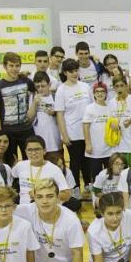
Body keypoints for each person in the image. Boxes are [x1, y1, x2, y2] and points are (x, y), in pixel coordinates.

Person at [15, 178, 86, 262]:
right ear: (34, 198)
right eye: (39, 197)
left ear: (58, 197)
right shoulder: (27, 211)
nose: (44, 201)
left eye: (49, 196)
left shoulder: (71, 219)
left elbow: (77, 253)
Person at [0, 52, 37, 164]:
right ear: (5, 66)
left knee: (30, 161)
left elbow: (38, 93)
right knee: (10, 162)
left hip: (26, 129)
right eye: (11, 66)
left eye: (17, 66)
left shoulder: (26, 81)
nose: (14, 69)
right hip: (7, 131)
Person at [54, 58, 93, 191]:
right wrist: (64, 135)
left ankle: (88, 185)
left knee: (87, 161)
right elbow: (59, 114)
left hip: (88, 132)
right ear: (65, 72)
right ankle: (75, 188)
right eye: (71, 71)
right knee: (75, 163)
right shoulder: (61, 90)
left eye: (76, 70)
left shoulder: (85, 86)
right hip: (72, 133)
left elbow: (92, 108)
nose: (74, 73)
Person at [11, 136, 70, 205]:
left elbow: (66, 195)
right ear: (25, 152)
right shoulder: (20, 166)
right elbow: (12, 175)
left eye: (37, 149)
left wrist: (42, 194)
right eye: (30, 150)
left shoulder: (54, 169)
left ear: (44, 151)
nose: (33, 153)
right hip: (25, 212)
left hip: (46, 211)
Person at [82, 82, 113, 185]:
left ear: (106, 93)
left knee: (110, 176)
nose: (100, 94)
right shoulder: (89, 108)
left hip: (109, 149)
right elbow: (86, 126)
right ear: (94, 94)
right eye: (97, 92)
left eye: (102, 91)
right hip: (95, 150)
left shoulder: (110, 107)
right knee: (96, 177)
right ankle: (96, 198)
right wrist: (88, 144)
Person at [109, 74, 131, 158]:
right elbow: (110, 120)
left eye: (121, 85)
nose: (119, 88)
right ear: (114, 88)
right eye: (117, 86)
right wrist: (112, 124)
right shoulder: (111, 102)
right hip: (117, 145)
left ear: (126, 86)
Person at [31, 72, 61, 152]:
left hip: (56, 141)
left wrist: (54, 114)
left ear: (49, 84)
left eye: (43, 86)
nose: (40, 89)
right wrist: (34, 103)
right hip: (40, 143)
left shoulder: (56, 96)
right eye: (37, 86)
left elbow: (63, 118)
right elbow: (29, 118)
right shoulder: (32, 98)